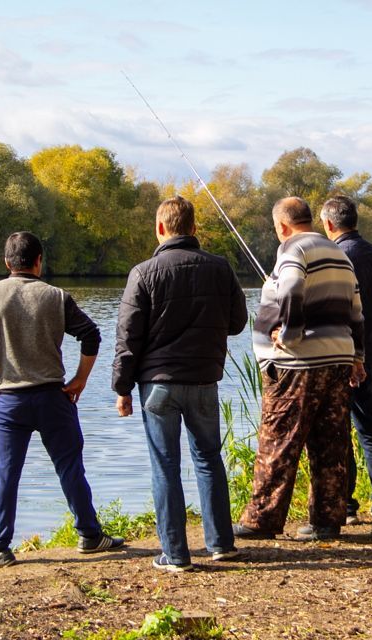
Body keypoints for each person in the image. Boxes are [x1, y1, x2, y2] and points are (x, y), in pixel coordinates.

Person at [0, 231, 125, 568]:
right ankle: (89, 535)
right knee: (70, 467)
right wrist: (80, 380)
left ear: (7, 262)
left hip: (8, 401)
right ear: (39, 261)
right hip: (52, 398)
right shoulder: (55, 296)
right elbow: (91, 335)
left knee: (6, 474)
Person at [113, 195, 248, 572]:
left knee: (165, 465)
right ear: (193, 228)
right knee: (208, 459)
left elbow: (128, 337)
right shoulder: (221, 269)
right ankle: (221, 544)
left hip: (157, 385)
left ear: (160, 229)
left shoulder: (142, 273)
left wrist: (121, 388)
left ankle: (175, 554)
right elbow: (237, 322)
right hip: (204, 380)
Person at [234, 196, 365, 541]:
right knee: (331, 442)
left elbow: (291, 287)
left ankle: (261, 521)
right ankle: (327, 520)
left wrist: (290, 334)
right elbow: (356, 310)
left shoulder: (293, 250)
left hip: (298, 364)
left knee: (279, 439)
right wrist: (357, 357)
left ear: (282, 225)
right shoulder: (339, 252)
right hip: (337, 359)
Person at [319, 195, 372, 523]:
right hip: (370, 349)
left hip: (342, 354)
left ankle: (347, 505)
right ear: (354, 220)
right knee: (368, 424)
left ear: (328, 224)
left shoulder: (336, 256)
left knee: (339, 427)